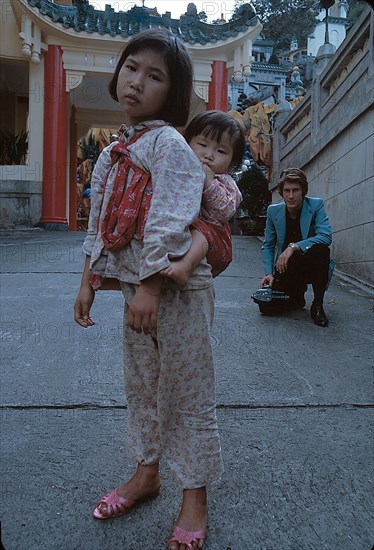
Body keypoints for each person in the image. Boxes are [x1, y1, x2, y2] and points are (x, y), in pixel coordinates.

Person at [73, 28, 223, 550]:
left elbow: (170, 218)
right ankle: (147, 472)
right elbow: (97, 220)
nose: (136, 81)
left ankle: (195, 494)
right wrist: (89, 280)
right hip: (138, 294)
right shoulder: (115, 150)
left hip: (172, 292)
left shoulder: (167, 145)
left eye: (154, 76)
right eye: (131, 67)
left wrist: (153, 287)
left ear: (173, 91)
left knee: (186, 393)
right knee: (141, 386)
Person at [161, 110, 245, 286]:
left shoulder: (224, 181)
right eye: (202, 144)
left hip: (212, 237)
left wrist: (209, 182)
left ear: (233, 162)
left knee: (201, 233)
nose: (209, 155)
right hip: (181, 229)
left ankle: (185, 265)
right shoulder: (180, 170)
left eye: (221, 151)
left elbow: (225, 212)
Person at [260, 167, 334, 327]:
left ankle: (317, 305)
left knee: (321, 250)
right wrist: (268, 273)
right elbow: (268, 245)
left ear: (303, 191)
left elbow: (326, 236)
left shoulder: (316, 205)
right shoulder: (274, 212)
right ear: (281, 192)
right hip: (286, 267)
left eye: (296, 190)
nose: (291, 196)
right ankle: (296, 296)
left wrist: (293, 247)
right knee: (266, 307)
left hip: (311, 265)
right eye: (287, 191)